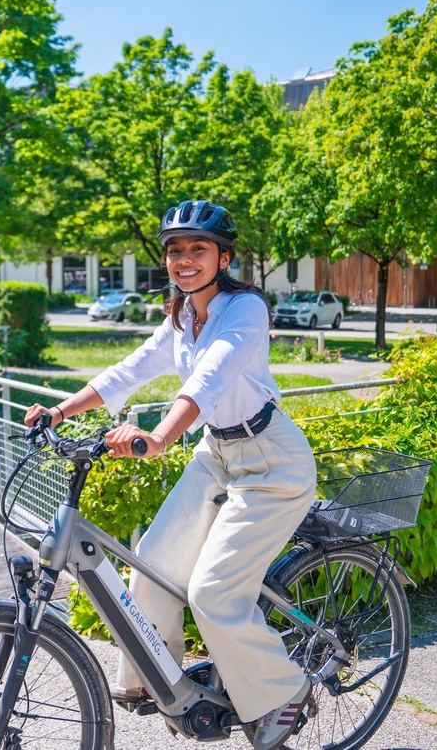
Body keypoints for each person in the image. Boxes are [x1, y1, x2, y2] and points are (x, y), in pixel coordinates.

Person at [23, 199, 317, 750]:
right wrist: (59, 411)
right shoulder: (180, 316)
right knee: (151, 567)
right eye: (175, 250)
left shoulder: (245, 310)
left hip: (272, 462)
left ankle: (285, 692)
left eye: (198, 249)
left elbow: (210, 378)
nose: (184, 260)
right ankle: (158, 683)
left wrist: (160, 436)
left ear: (224, 257)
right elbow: (129, 372)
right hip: (218, 454)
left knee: (212, 594)